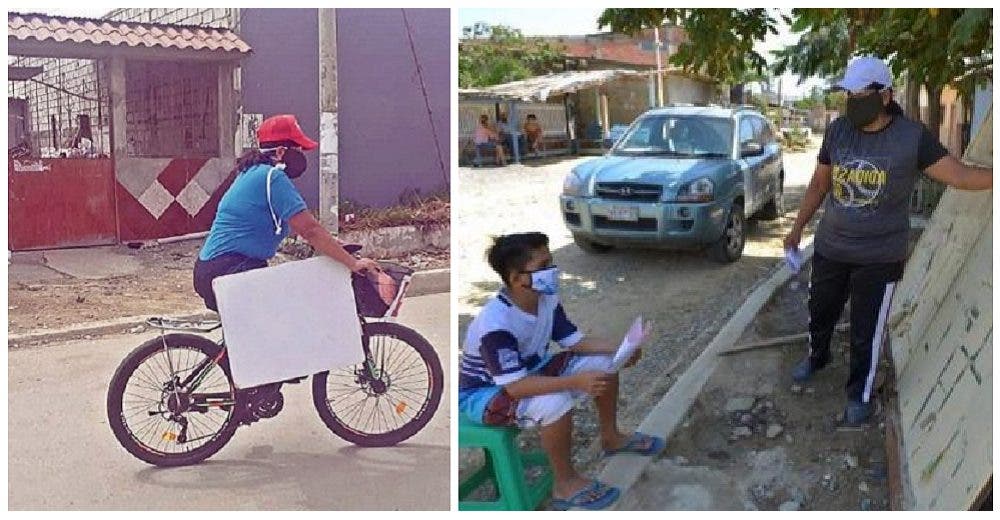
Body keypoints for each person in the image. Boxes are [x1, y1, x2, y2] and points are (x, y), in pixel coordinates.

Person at [783, 56, 992, 425]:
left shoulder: (911, 138)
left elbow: (958, 175)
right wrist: (798, 228)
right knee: (821, 309)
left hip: (880, 256)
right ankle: (817, 355)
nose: (852, 102)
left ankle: (859, 394)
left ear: (885, 96)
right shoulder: (838, 131)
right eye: (848, 94)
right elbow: (819, 184)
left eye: (861, 94)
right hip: (831, 245)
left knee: (867, 329)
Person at [458, 232, 664, 510]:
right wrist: (576, 381)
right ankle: (564, 484)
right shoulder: (495, 325)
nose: (552, 271)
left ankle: (611, 437)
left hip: (529, 372)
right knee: (554, 402)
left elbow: (574, 342)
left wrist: (619, 349)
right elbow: (515, 388)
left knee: (606, 364)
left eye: (550, 263)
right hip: (484, 394)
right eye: (543, 266)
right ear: (518, 278)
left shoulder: (545, 299)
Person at [194, 114, 379, 312]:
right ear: (281, 151)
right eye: (298, 149)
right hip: (229, 269)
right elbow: (310, 231)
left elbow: (297, 226)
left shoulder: (253, 172)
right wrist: (353, 263)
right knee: (290, 313)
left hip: (218, 268)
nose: (302, 155)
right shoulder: (272, 178)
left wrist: (334, 246)